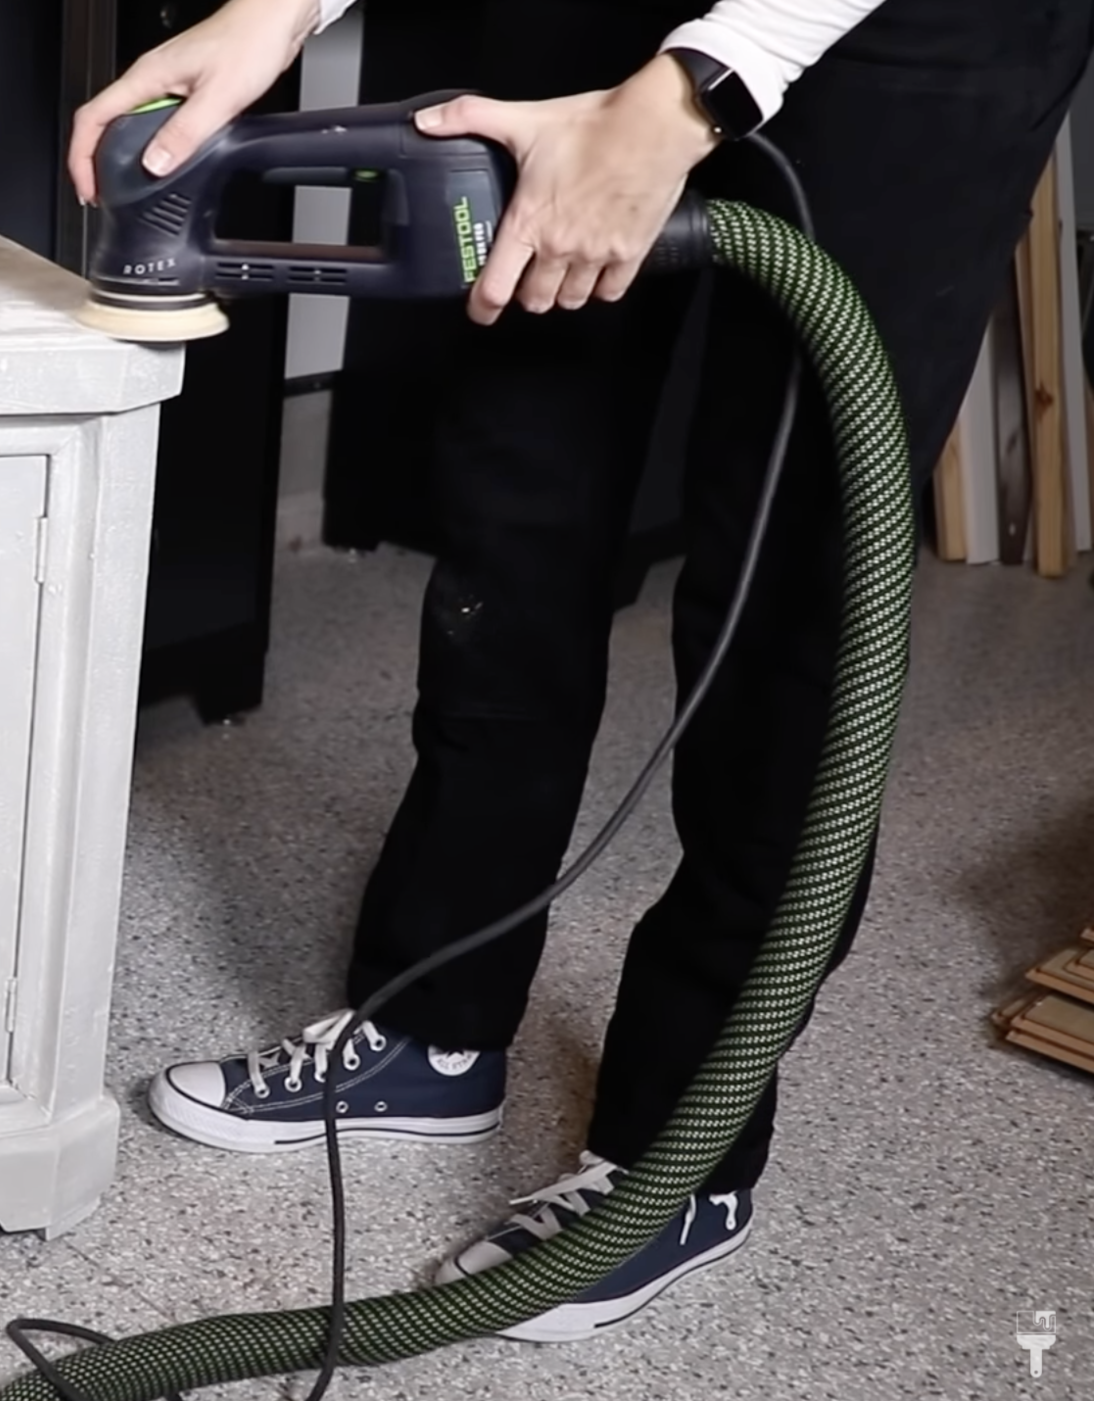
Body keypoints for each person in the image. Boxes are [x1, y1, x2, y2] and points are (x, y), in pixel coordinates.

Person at [70, 0, 1094, 1343]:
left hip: (911, 36)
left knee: (795, 582)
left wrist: (700, 85)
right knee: (516, 508)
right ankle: (436, 1027)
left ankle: (679, 1160)